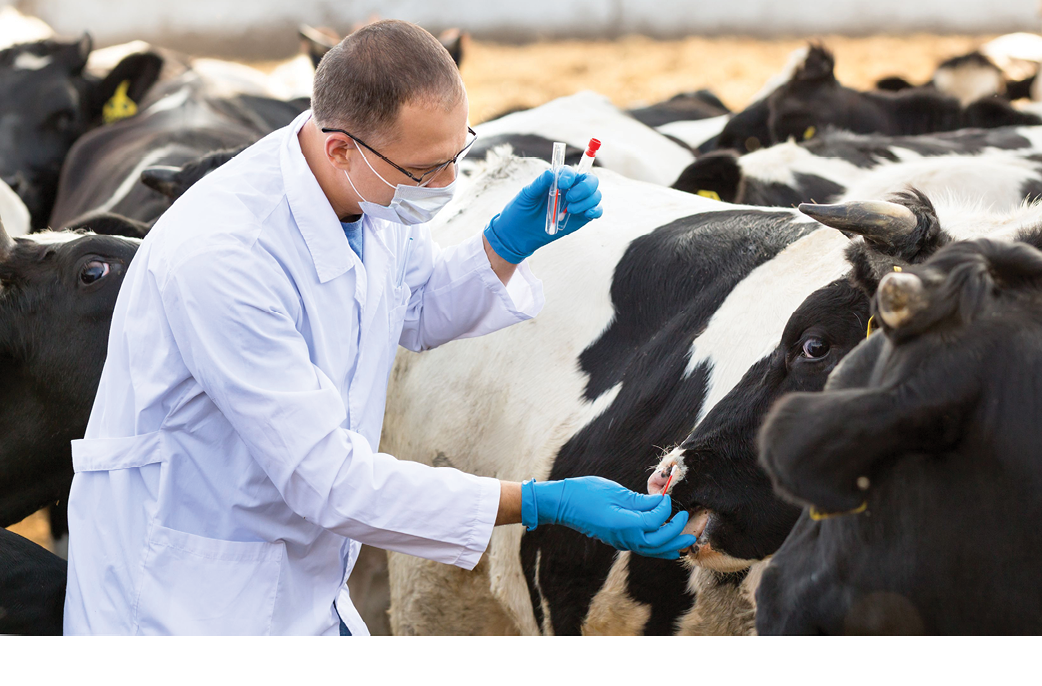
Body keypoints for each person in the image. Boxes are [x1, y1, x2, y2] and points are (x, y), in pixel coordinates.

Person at [63, 20, 695, 636]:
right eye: (427, 170)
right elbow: (331, 483)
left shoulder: (368, 190)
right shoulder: (225, 257)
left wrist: (506, 243)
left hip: (294, 574)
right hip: (187, 598)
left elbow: (412, 310)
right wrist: (538, 502)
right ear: (341, 147)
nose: (447, 186)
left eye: (458, 154)